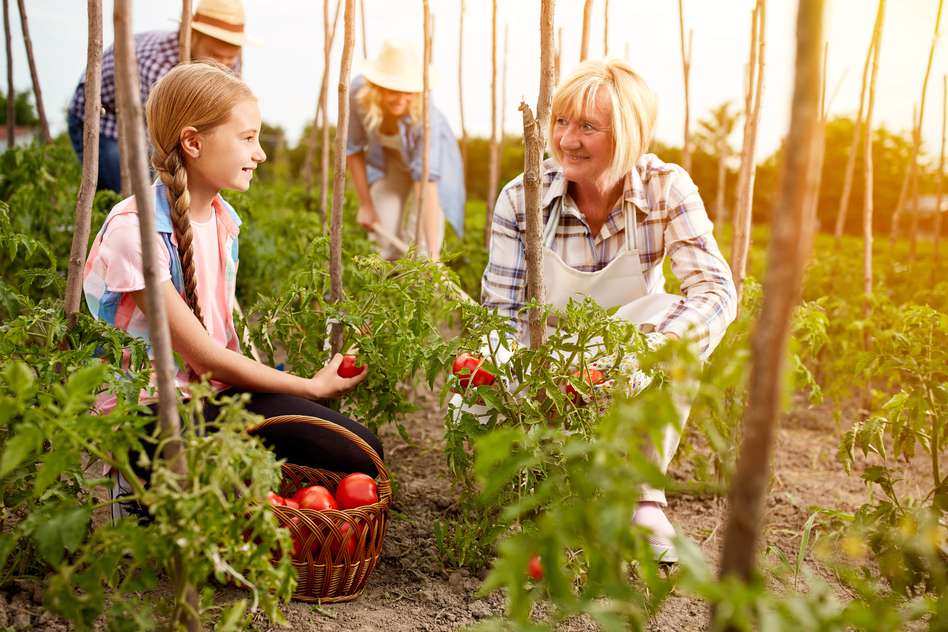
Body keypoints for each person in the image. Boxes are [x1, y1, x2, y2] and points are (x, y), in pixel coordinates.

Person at [83, 61, 381, 523]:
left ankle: (209, 488)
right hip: (151, 413)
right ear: (193, 142)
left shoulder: (222, 221)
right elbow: (206, 357)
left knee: (362, 453)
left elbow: (217, 361)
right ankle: (137, 485)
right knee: (211, 477)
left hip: (213, 396)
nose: (260, 153)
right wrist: (311, 388)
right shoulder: (136, 230)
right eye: (247, 138)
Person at [481, 58, 737, 563]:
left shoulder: (666, 188)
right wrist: (530, 380)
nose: (567, 140)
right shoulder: (523, 197)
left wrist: (643, 356)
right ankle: (536, 483)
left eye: (588, 127)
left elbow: (716, 291)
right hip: (547, 355)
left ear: (627, 135)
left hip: (627, 351)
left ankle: (645, 500)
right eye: (561, 122)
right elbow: (504, 311)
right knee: (479, 384)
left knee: (675, 319)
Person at [68, 0, 254, 193]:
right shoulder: (159, 65)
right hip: (106, 119)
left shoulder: (227, 60)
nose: (224, 65)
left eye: (230, 58)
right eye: (215, 55)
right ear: (192, 36)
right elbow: (166, 133)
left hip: (144, 122)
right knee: (130, 191)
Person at [346, 39, 466, 262]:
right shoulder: (357, 94)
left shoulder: (426, 116)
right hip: (389, 165)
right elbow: (353, 150)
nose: (401, 99)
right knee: (383, 235)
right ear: (377, 86)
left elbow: (427, 185)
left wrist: (433, 254)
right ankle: (387, 293)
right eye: (393, 90)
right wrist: (366, 205)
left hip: (432, 174)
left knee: (422, 249)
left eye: (408, 91)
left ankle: (423, 280)